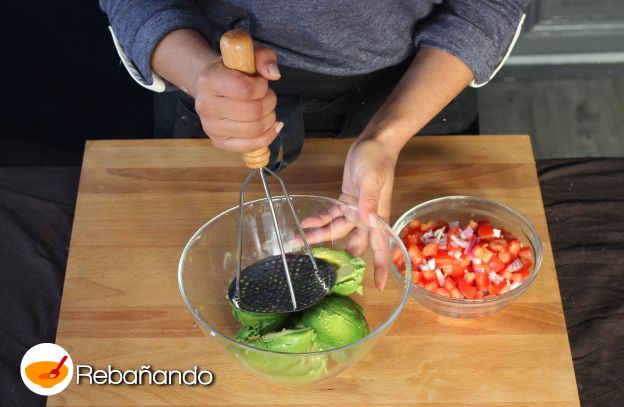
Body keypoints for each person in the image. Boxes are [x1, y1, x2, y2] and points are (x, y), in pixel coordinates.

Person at [100, 1, 529, 287]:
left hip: (422, 87)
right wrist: (201, 76)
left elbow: (487, 6)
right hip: (216, 88)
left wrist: (386, 138)